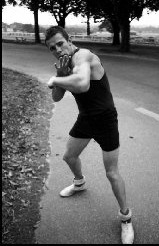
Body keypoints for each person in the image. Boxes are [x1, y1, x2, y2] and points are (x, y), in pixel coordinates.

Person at [46, 26, 134, 244]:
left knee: (112, 173)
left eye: (60, 43)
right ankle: (79, 183)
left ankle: (126, 218)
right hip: (86, 119)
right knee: (69, 157)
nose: (57, 49)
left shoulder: (83, 56)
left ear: (69, 40)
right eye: (52, 48)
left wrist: (56, 80)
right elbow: (56, 98)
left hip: (105, 120)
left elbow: (83, 84)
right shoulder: (65, 64)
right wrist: (60, 75)